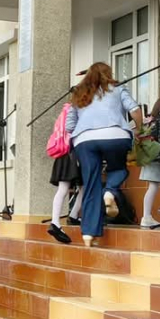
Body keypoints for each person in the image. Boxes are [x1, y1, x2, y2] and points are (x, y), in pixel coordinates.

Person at [65, 62, 144, 247]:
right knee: (118, 169)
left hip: (84, 140)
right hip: (115, 134)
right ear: (108, 74)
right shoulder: (117, 88)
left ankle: (88, 234)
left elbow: (69, 126)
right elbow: (135, 110)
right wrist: (139, 129)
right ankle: (109, 192)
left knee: (91, 184)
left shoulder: (78, 93)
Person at [138, 96, 160, 228]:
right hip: (155, 158)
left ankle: (146, 216)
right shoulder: (159, 120)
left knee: (153, 186)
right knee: (153, 186)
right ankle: (146, 217)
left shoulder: (149, 120)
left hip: (147, 156)